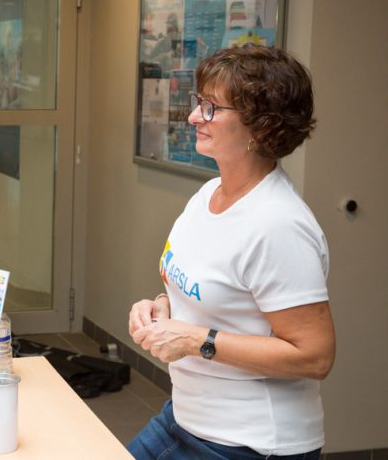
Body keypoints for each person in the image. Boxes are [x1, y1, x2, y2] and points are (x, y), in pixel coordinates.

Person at [127, 44, 335, 460]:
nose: (192, 117)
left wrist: (192, 338)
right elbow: (215, 296)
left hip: (248, 443)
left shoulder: (277, 224)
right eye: (198, 103)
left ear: (261, 126)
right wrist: (162, 307)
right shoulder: (208, 195)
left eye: (210, 108)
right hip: (185, 418)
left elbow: (315, 356)